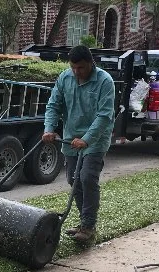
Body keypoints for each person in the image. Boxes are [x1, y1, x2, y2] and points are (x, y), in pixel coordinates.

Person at [42, 45, 116, 243]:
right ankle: (84, 222)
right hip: (71, 138)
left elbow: (104, 116)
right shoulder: (65, 78)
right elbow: (53, 105)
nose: (76, 72)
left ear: (91, 63)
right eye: (73, 68)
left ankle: (89, 226)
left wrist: (86, 139)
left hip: (95, 139)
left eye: (81, 68)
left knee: (87, 178)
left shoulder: (104, 82)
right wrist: (49, 129)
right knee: (72, 180)